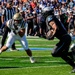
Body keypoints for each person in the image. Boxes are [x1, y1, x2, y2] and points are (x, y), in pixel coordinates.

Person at [42, 7, 75, 73]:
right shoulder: (52, 17)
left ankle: (73, 54)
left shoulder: (49, 18)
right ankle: (73, 62)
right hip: (65, 38)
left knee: (55, 53)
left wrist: (51, 35)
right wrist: (50, 36)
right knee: (63, 54)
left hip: (64, 38)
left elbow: (55, 27)